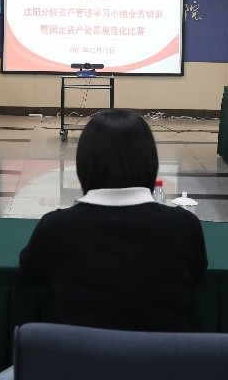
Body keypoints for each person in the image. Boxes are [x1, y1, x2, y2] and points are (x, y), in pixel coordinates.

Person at [19, 109, 208, 332]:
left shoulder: (56, 227)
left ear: (84, 163)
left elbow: (30, 270)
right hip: (165, 355)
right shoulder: (184, 226)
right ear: (150, 162)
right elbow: (198, 273)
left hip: (79, 355)